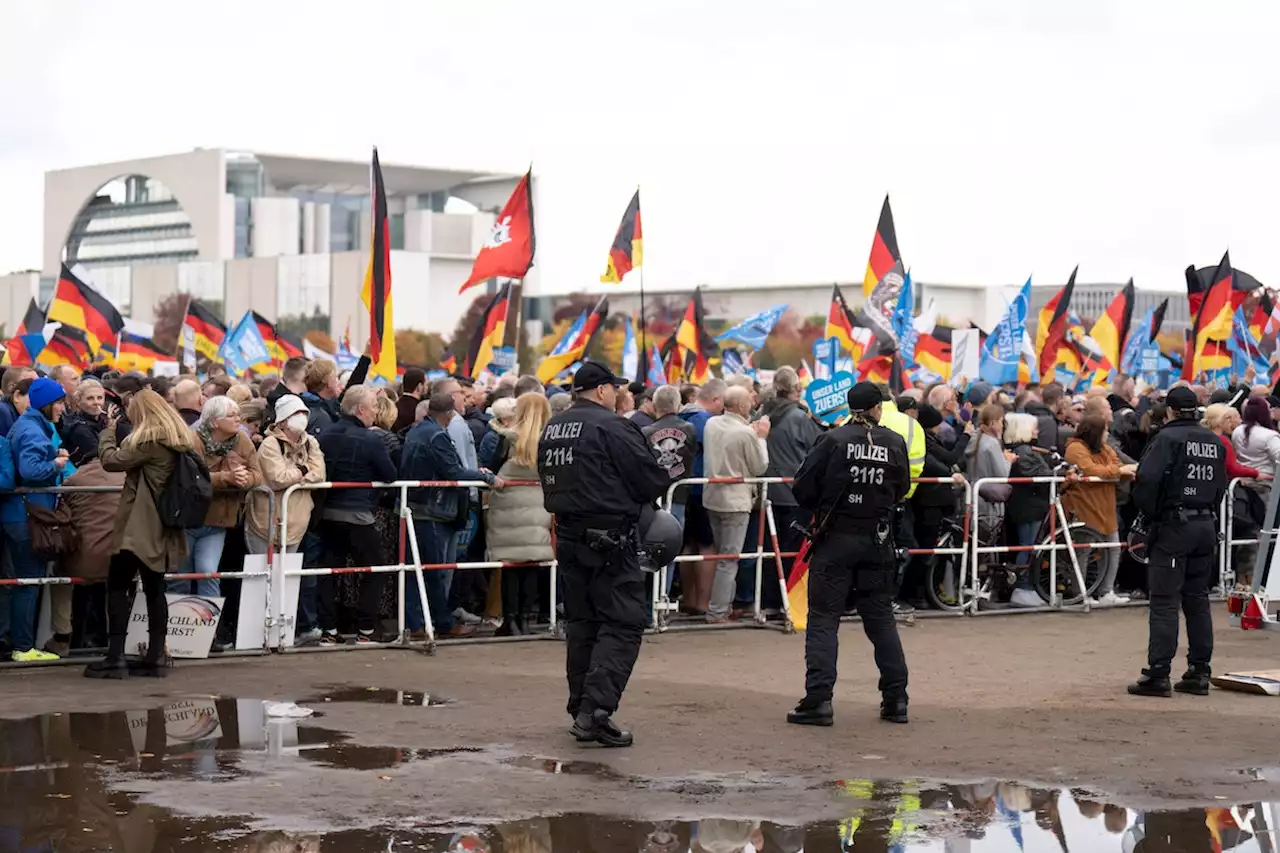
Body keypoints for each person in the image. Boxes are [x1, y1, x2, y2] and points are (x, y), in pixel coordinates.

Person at [537, 362, 670, 747]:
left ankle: (581, 706)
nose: (617, 394)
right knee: (624, 623)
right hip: (609, 538)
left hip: (570, 534)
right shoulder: (613, 426)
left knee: (583, 624)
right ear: (599, 390)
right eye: (614, 388)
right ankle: (595, 711)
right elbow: (651, 479)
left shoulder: (554, 426)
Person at [786, 381, 911, 727]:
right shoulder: (894, 441)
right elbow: (902, 488)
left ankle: (818, 700)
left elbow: (803, 486)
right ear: (877, 407)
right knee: (881, 620)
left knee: (824, 620)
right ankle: (896, 699)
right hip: (878, 539)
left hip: (836, 539)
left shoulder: (832, 440)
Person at [88, 389, 194, 678]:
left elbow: (112, 461)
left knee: (117, 585)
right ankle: (157, 655)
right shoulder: (179, 438)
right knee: (154, 587)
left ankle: (115, 657)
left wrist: (108, 432)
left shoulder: (149, 439)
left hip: (140, 525)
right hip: (162, 523)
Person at [1128, 386, 1226, 698]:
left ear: (1170, 411)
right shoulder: (1214, 440)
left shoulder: (1166, 439)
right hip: (1205, 525)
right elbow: (1220, 486)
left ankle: (1158, 673)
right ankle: (1199, 670)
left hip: (1174, 526)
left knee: (1164, 601)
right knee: (1197, 599)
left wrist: (1151, 517)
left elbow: (1146, 482)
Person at [400, 389, 501, 640]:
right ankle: (441, 623)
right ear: (449, 413)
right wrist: (484, 476)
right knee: (435, 571)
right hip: (434, 509)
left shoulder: (417, 431)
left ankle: (416, 623)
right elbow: (453, 472)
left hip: (417, 506)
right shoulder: (437, 436)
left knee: (416, 571)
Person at [315, 386, 398, 645]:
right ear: (360, 409)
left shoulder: (326, 434)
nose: (376, 410)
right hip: (358, 514)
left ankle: (328, 631)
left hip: (327, 514)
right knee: (377, 568)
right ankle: (365, 631)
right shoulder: (371, 439)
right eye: (373, 405)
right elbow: (391, 476)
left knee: (328, 572)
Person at [0, 379, 70, 662]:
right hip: (27, 517)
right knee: (28, 582)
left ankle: (19, 643)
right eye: (60, 402)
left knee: (20, 582)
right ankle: (24, 647)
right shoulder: (31, 429)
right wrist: (56, 464)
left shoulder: (28, 425)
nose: (64, 408)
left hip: (18, 515)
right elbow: (30, 469)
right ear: (47, 404)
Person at [176, 397, 260, 600]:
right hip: (187, 520)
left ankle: (208, 627)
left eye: (238, 415)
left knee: (208, 572)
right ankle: (176, 626)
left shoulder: (242, 439)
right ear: (214, 422)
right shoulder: (192, 440)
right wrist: (226, 477)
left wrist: (244, 478)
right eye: (231, 415)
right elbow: (190, 479)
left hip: (217, 521)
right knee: (180, 577)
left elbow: (258, 475)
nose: (238, 419)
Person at [702, 385, 770, 623]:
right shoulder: (746, 433)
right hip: (736, 501)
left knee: (722, 556)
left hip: (712, 497)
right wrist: (760, 438)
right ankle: (718, 611)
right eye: (749, 401)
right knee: (729, 559)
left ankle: (724, 606)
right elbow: (760, 466)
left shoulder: (711, 424)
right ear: (742, 406)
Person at [487, 392, 553, 636]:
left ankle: (510, 620)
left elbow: (491, 467)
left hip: (507, 509)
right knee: (531, 564)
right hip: (538, 509)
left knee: (510, 566)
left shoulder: (507, 439)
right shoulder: (549, 440)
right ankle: (525, 620)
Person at [758, 366, 825, 604]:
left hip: (765, 494)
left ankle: (767, 600)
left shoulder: (760, 415)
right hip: (794, 495)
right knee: (791, 552)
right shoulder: (799, 417)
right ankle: (787, 602)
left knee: (766, 552)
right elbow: (820, 449)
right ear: (797, 389)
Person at [245, 394, 326, 559]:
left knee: (287, 579)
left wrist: (297, 476)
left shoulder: (311, 443)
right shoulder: (270, 444)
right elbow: (278, 478)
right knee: (264, 577)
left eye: (304, 413)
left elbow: (320, 475)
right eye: (295, 414)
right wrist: (303, 470)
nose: (301, 418)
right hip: (265, 524)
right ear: (282, 421)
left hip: (297, 524)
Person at [642, 385, 698, 599]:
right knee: (671, 548)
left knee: (649, 550)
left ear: (655, 405)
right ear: (678, 405)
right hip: (679, 496)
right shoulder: (690, 430)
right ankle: (662, 597)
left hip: (653, 499)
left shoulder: (646, 432)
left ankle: (651, 601)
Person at [1003, 413, 1057, 608]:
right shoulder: (1025, 453)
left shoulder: (1024, 451)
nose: (1037, 431)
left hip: (1029, 505)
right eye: (1033, 428)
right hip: (1029, 507)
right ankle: (1022, 587)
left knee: (1030, 546)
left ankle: (1027, 587)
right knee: (1028, 546)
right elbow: (1036, 474)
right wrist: (1057, 473)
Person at [59, 378, 108, 467]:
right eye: (90, 398)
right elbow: (104, 457)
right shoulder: (79, 428)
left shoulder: (104, 421)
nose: (96, 402)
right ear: (78, 401)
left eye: (99, 398)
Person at [302, 359, 342, 437]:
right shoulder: (319, 415)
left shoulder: (330, 406)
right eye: (336, 377)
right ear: (327, 380)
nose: (339, 381)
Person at [394, 368, 426, 433]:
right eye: (426, 384)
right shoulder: (420, 409)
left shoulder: (394, 405)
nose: (427, 387)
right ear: (419, 386)